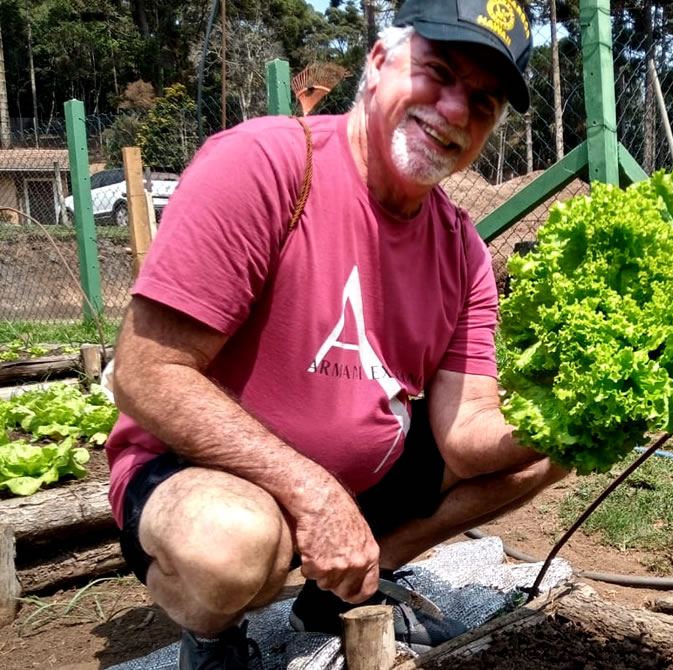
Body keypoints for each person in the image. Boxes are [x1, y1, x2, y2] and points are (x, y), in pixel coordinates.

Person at [103, 1, 567, 668]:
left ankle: (353, 586)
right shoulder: (266, 165)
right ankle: (211, 637)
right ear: (378, 64)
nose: (458, 111)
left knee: (545, 451)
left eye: (485, 101)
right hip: (204, 471)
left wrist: (576, 414)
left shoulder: (463, 250)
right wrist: (312, 493)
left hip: (360, 482)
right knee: (232, 544)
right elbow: (146, 375)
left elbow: (467, 438)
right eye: (436, 72)